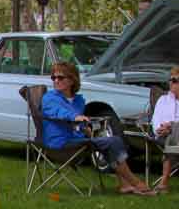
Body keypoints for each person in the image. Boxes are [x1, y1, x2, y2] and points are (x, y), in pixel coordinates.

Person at [42, 61, 154, 195]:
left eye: (60, 77)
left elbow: (78, 124)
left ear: (72, 80)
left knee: (114, 140)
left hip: (77, 141)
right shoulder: (49, 98)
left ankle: (124, 184)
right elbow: (57, 112)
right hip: (59, 144)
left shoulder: (78, 100)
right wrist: (75, 117)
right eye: (53, 77)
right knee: (111, 142)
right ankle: (135, 182)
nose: (56, 81)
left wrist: (85, 128)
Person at [150, 65, 179, 193]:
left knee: (175, 130)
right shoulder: (163, 100)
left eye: (175, 80)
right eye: (170, 80)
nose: (172, 83)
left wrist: (172, 126)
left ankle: (164, 183)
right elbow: (155, 119)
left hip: (175, 134)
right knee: (171, 135)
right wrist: (160, 129)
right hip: (164, 135)